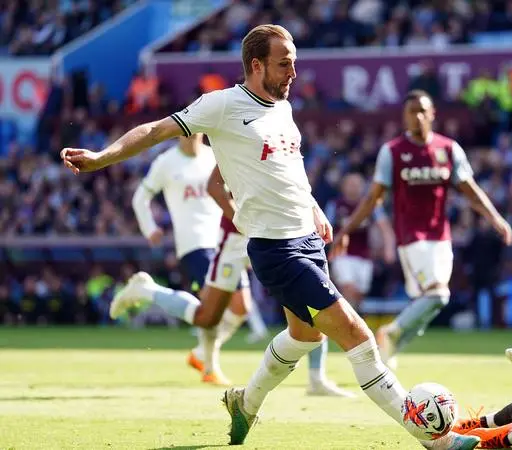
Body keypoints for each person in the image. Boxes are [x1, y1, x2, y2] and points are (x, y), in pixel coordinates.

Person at [60, 24, 479, 450]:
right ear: (257, 65)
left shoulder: (283, 108)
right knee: (356, 334)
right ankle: (430, 437)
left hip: (307, 241)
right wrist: (102, 157)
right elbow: (155, 130)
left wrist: (314, 209)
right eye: (284, 64)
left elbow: (290, 170)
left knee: (306, 336)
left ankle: (245, 403)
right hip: (277, 250)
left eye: (294, 63)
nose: (293, 72)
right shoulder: (222, 105)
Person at [332, 89, 512, 369]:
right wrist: (345, 231)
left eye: (422, 111)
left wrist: (495, 218)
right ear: (404, 117)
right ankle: (391, 332)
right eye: (411, 111)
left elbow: (470, 190)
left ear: (432, 114)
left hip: (441, 237)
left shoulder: (448, 149)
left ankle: (389, 349)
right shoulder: (392, 152)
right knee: (438, 295)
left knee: (435, 301)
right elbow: (372, 199)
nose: (417, 116)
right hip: (411, 238)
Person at [130, 133, 256, 385]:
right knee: (212, 308)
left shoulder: (214, 155)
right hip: (194, 244)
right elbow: (140, 197)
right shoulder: (166, 162)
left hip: (224, 241)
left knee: (241, 307)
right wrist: (150, 228)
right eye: (186, 130)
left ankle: (199, 352)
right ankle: (210, 368)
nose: (191, 136)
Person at [325, 172, 395, 311]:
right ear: (343, 187)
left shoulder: (371, 205)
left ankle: (351, 320)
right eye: (351, 184)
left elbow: (385, 227)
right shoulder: (335, 205)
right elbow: (325, 229)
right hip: (342, 255)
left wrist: (389, 248)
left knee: (359, 297)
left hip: (364, 257)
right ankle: (348, 322)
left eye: (357, 185)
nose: (354, 188)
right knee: (348, 289)